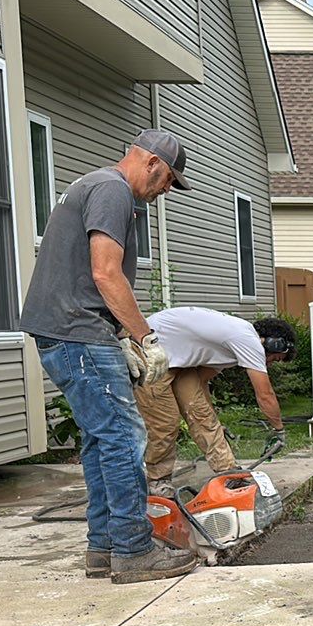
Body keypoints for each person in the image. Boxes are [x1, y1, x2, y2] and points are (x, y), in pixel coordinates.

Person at [21, 128, 198, 584]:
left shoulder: (92, 185)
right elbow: (105, 272)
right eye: (167, 183)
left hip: (67, 331)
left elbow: (86, 275)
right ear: (153, 163)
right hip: (78, 334)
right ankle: (134, 551)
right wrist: (144, 338)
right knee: (123, 439)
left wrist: (118, 332)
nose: (164, 193)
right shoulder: (113, 191)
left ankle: (103, 548)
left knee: (103, 442)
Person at [135, 307, 295, 492]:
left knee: (204, 417)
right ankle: (157, 481)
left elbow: (202, 381)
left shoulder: (237, 344)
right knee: (165, 424)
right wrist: (278, 430)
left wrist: (213, 419)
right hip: (152, 356)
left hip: (180, 363)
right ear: (273, 343)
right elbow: (265, 395)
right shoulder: (248, 340)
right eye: (275, 358)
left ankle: (228, 472)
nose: (270, 363)